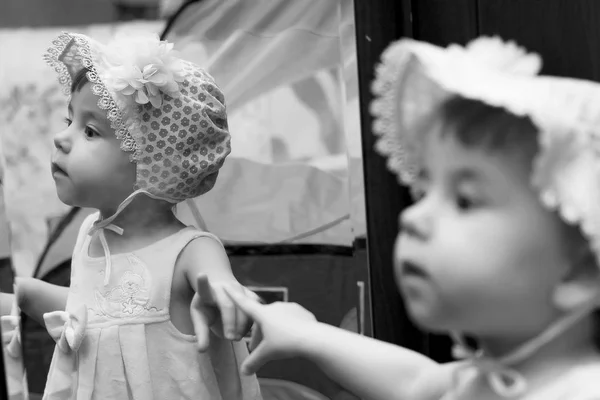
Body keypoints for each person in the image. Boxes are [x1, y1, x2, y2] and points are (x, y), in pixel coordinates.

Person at [220, 36, 600, 400]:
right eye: (424, 190)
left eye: (465, 200)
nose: (413, 217)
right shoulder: (476, 381)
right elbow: (418, 383)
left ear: (579, 271)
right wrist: (307, 334)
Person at [3, 32, 263, 400]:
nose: (61, 138)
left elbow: (218, 283)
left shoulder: (189, 251)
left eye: (90, 130)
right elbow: (98, 316)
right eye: (69, 120)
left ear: (157, 164)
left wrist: (227, 294)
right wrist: (25, 294)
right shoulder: (91, 235)